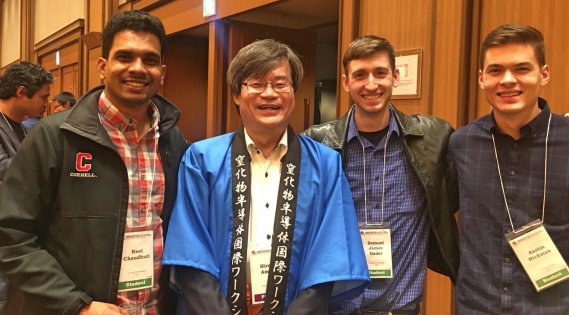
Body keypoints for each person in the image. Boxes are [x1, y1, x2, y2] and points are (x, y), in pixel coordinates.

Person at [0, 9, 188, 315]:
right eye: (125, 57)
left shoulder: (172, 140)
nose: (138, 68)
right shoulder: (54, 137)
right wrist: (76, 305)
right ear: (103, 66)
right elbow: (11, 236)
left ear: (162, 72)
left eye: (150, 60)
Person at [163, 38, 369, 315]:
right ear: (237, 94)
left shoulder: (326, 164)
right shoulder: (201, 160)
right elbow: (190, 252)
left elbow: (330, 256)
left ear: (294, 92)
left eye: (281, 84)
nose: (270, 94)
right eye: (257, 84)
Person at [447, 23, 569, 314]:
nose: (507, 80)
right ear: (481, 79)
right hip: (477, 307)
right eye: (495, 70)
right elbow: (434, 219)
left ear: (544, 74)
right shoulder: (461, 144)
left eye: (521, 69)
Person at [303, 35, 457, 315]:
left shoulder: (434, 139)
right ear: (347, 82)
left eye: (380, 73)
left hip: (400, 307)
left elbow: (469, 178)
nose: (371, 84)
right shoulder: (317, 145)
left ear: (395, 77)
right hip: (335, 308)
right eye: (360, 75)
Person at [0, 61, 53, 314]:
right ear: (21, 92)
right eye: (43, 97)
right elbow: (7, 170)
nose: (47, 104)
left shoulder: (20, 126)